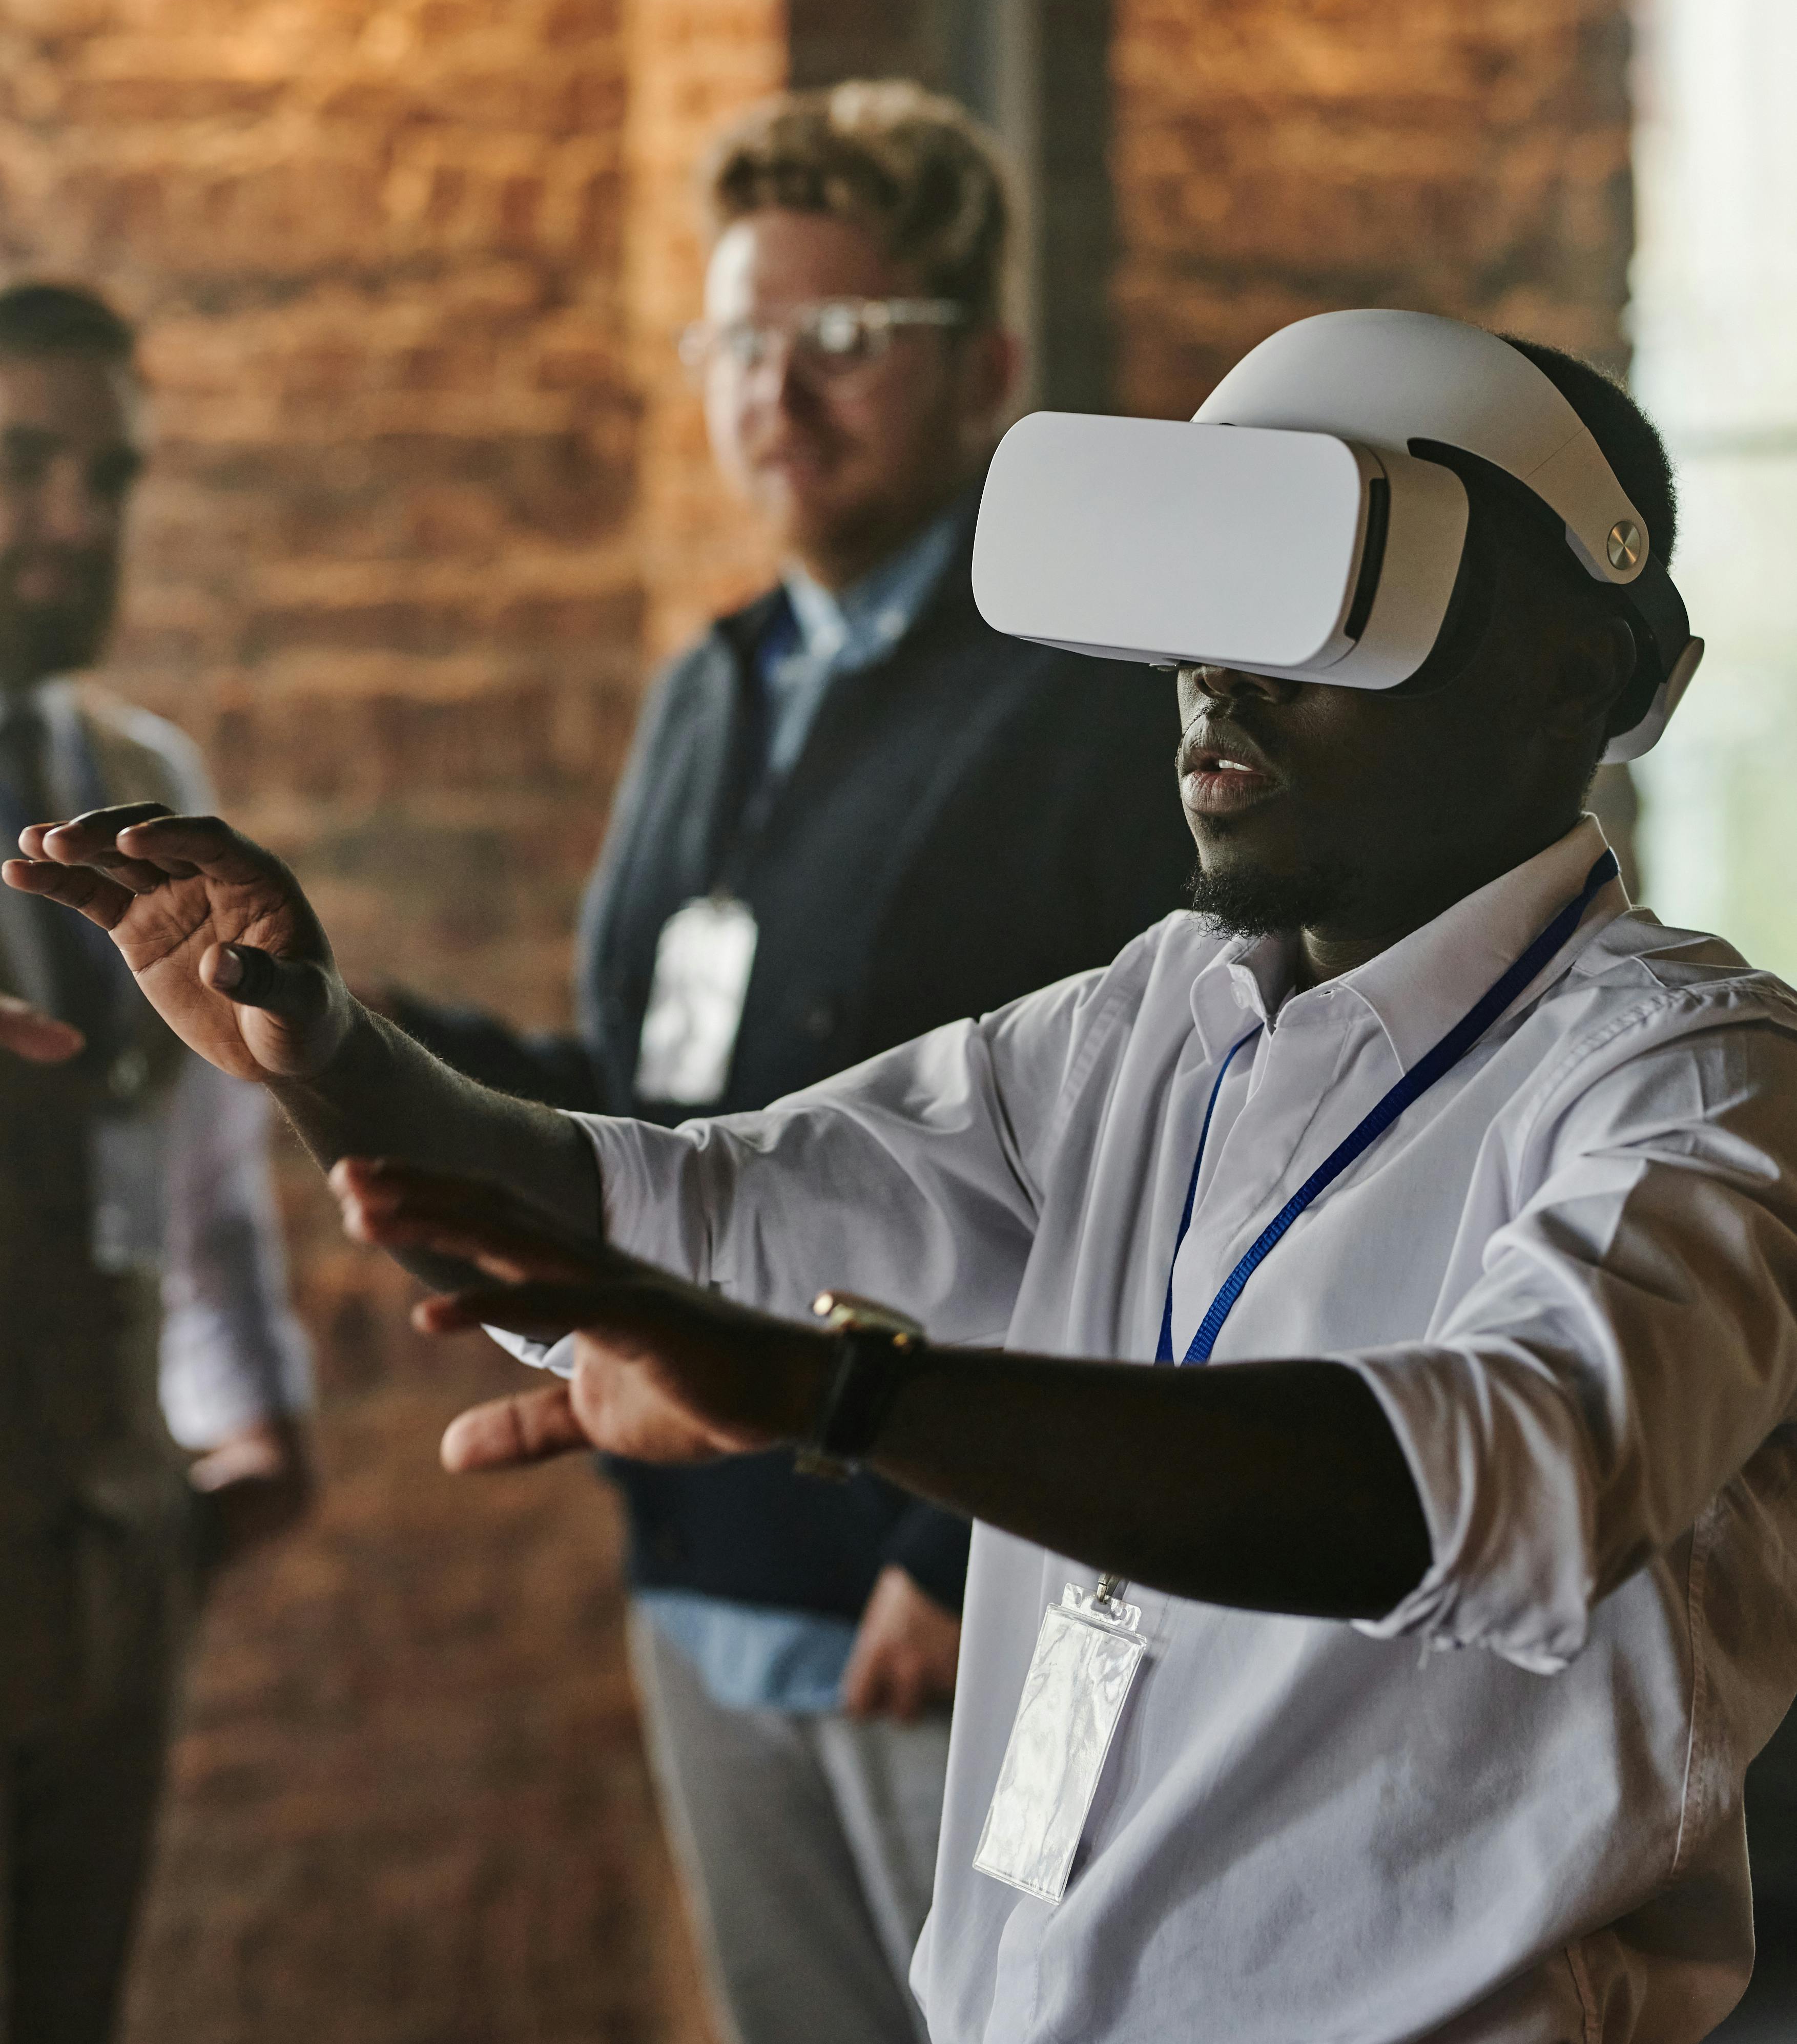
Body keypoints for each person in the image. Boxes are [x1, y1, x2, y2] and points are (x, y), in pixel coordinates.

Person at [15, 315, 1797, 2044]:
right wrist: (326, 1054)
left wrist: (843, 1393)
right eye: (1214, 590)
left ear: (1578, 675)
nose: (1218, 674)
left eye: (1327, 597)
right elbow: (687, 1215)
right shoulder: (1149, 1021)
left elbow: (1495, 1477)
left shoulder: (1688, 1078)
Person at [378, 82, 1194, 2044]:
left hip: (962, 1574)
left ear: (983, 367)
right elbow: (657, 1094)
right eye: (741, 338)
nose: (778, 389)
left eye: (841, 337)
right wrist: (318, 1021)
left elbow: (1165, 1159)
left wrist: (963, 1541)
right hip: (706, 1552)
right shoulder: (717, 679)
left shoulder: (1092, 697)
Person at [0, 282, 312, 2044]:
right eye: (23, 464)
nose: (73, 518)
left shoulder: (143, 783)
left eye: (106, 476)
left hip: (109, 1546)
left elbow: (198, 1164)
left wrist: (251, 1407)